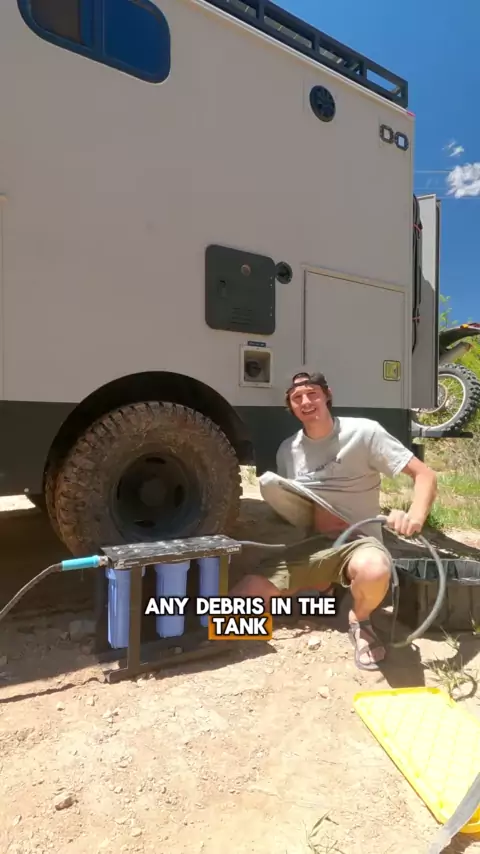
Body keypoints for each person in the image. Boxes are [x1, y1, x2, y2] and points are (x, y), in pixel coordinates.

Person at [231, 370, 438, 671]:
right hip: (316, 545)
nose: (306, 401)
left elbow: (425, 475)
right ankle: (323, 592)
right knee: (240, 602)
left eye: (312, 393)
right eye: (297, 397)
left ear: (327, 395)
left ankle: (360, 620)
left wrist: (414, 516)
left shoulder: (364, 433)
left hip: (359, 542)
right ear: (291, 407)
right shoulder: (288, 450)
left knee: (375, 570)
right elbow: (296, 506)